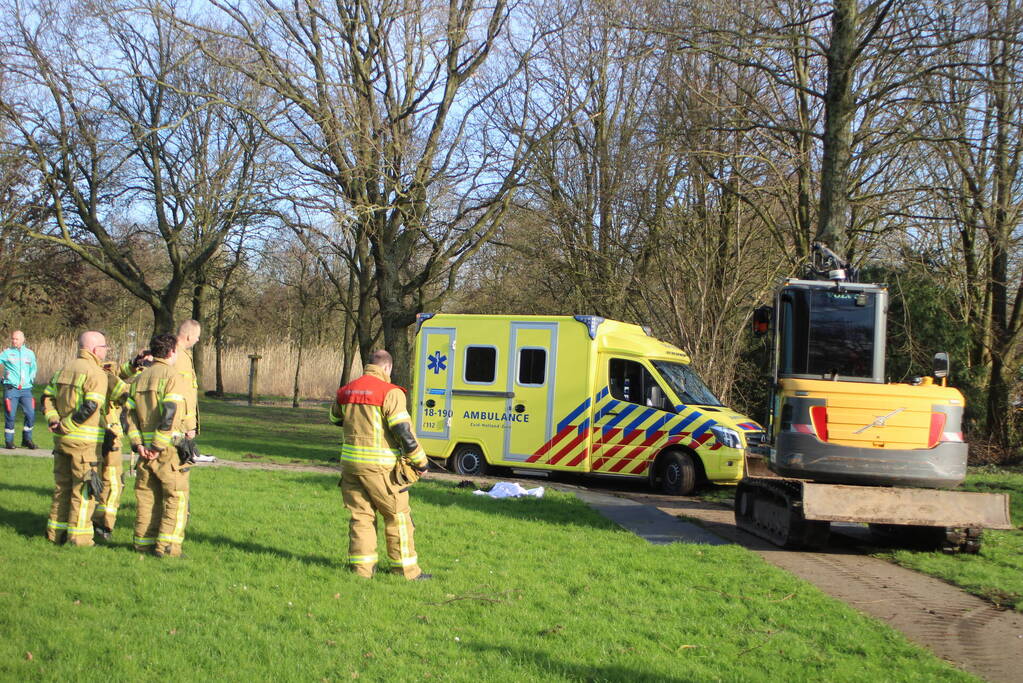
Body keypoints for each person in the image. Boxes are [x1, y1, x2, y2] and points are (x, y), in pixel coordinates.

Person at [330, 349, 430, 580]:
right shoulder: (391, 392)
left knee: (361, 517)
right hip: (381, 468)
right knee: (397, 516)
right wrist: (420, 462)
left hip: (351, 467)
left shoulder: (346, 390)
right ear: (387, 368)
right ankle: (406, 571)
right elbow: (403, 431)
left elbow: (335, 419)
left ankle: (362, 571)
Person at [41, 331, 110, 546]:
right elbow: (91, 406)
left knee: (62, 487)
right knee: (84, 490)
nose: (106, 351)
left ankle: (55, 534)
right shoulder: (96, 373)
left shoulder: (64, 369)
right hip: (84, 444)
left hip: (62, 442)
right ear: (94, 349)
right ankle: (79, 538)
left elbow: (46, 397)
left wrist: (54, 421)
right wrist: (67, 425)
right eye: (105, 347)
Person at [125, 334, 191, 557]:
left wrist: (138, 445)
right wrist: (157, 445)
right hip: (167, 450)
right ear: (172, 352)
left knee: (146, 497)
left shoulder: (139, 379)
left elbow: (129, 415)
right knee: (175, 497)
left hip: (144, 451)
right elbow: (170, 414)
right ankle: (168, 548)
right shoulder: (173, 377)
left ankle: (142, 543)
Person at [92, 350, 149, 539]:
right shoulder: (107, 377)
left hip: (84, 437)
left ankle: (85, 520)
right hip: (108, 435)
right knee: (113, 482)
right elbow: (125, 394)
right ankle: (103, 524)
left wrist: (135, 363)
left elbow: (121, 372)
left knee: (87, 480)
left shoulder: (85, 371)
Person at [175, 319, 212, 461]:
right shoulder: (179, 357)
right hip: (179, 425)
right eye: (197, 336)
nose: (197, 340)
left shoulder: (182, 354)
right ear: (189, 336)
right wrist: (189, 425)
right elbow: (183, 395)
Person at [1, 329, 38, 449]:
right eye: (12, 338)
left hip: (26, 390)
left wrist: (31, 379)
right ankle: (9, 441)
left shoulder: (30, 353)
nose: (14, 341)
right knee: (10, 415)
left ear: (23, 340)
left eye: (16, 339)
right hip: (11, 389)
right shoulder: (7, 353)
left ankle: (27, 439)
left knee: (31, 414)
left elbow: (33, 368)